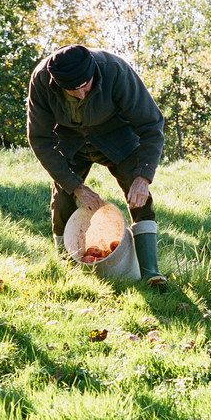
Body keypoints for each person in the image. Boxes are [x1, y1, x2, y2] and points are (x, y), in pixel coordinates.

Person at [27, 45, 167, 287]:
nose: (81, 94)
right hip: (70, 141)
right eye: (72, 90)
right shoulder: (41, 80)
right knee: (62, 200)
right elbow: (40, 140)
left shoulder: (115, 70)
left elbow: (152, 125)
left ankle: (150, 272)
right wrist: (76, 186)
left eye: (86, 86)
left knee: (140, 197)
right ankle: (68, 267)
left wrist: (143, 177)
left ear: (93, 73)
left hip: (117, 137)